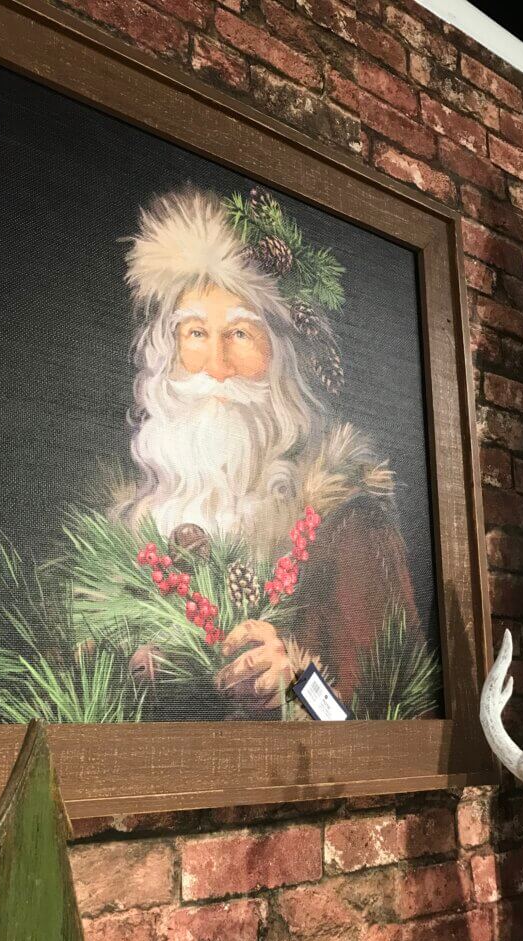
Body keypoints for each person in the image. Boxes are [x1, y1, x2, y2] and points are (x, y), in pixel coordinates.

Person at [114, 188, 420, 713]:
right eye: (195, 332)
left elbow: (396, 722)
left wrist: (298, 683)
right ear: (166, 354)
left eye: (239, 333)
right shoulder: (128, 538)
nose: (216, 366)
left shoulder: (350, 527)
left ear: (280, 357)